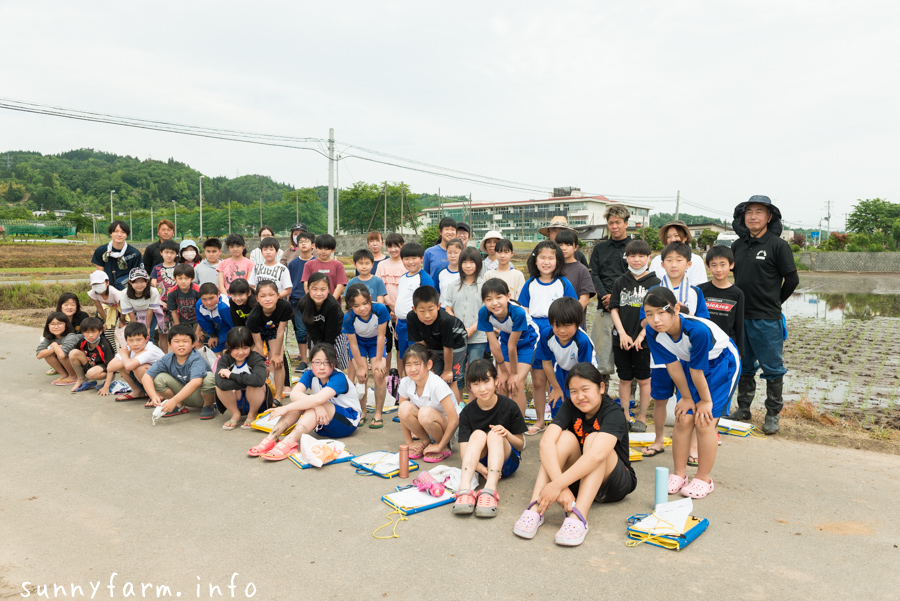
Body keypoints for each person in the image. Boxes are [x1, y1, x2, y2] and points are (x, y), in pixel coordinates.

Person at [513, 363, 635, 546]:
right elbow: (545, 443)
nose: (580, 397)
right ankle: (535, 508)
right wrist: (560, 487)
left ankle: (578, 517)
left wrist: (557, 485)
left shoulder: (613, 412)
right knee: (563, 438)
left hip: (613, 483)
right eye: (574, 391)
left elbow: (597, 456)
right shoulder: (569, 406)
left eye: (586, 389)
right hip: (578, 480)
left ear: (601, 387)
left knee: (595, 440)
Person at [643, 287, 741, 499]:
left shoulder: (697, 330)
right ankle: (679, 474)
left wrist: (705, 401)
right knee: (683, 419)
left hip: (721, 364)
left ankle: (703, 478)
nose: (655, 319)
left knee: (704, 421)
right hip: (690, 365)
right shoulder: (652, 332)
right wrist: (686, 398)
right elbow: (672, 365)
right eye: (649, 314)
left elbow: (699, 370)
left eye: (661, 312)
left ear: (676, 308)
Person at [730, 195, 798, 434]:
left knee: (772, 368)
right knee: (744, 366)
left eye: (759, 212)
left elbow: (792, 279)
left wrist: (776, 301)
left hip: (767, 318)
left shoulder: (778, 245)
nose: (753, 216)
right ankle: (743, 409)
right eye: (749, 212)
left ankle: (772, 415)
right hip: (741, 317)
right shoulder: (738, 245)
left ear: (769, 217)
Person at [641, 242, 710, 457]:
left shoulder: (696, 292)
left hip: (688, 357)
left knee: (691, 398)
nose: (674, 265)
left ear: (689, 264)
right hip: (662, 355)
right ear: (661, 264)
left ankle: (693, 446)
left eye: (679, 260)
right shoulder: (654, 291)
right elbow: (644, 321)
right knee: (659, 398)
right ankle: (659, 439)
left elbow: (704, 324)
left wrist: (683, 316)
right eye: (669, 260)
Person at [248, 344, 361, 460]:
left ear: (334, 363)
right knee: (306, 401)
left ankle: (288, 442)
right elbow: (294, 394)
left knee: (312, 402)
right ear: (311, 363)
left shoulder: (338, 377)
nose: (322, 367)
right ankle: (271, 438)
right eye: (317, 362)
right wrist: (317, 406)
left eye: (327, 362)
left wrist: (286, 408)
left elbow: (318, 400)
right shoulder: (309, 374)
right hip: (323, 423)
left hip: (347, 422)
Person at [453, 359, 527, 518]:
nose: (482, 389)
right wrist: (483, 470)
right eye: (475, 384)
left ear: (496, 380)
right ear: (469, 387)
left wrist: (507, 434)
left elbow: (520, 445)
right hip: (479, 466)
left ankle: (490, 489)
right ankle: (464, 488)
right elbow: (464, 453)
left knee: (494, 434)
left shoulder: (510, 406)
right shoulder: (466, 412)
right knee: (478, 434)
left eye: (486, 381)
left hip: (507, 463)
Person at [518, 240, 578, 435]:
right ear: (535, 261)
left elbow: (573, 309)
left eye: (551, 258)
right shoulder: (530, 284)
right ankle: (541, 420)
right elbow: (523, 312)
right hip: (536, 331)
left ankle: (562, 418)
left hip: (557, 330)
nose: (546, 262)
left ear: (558, 260)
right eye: (542, 257)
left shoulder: (563, 283)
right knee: (537, 380)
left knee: (560, 376)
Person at [609, 239, 660, 432]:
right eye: (632, 256)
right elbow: (614, 308)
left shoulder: (655, 283)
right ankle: (624, 415)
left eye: (641, 256)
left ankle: (642, 416)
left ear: (649, 258)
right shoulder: (620, 282)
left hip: (645, 341)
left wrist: (641, 335)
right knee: (624, 378)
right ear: (626, 258)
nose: (636, 260)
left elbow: (655, 313)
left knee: (644, 379)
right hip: (621, 338)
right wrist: (622, 333)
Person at [477, 278, 540, 416]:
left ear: (508, 296)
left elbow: (513, 346)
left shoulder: (517, 312)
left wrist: (514, 373)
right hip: (506, 338)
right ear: (483, 301)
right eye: (489, 299)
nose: (494, 303)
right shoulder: (484, 313)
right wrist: (504, 372)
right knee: (501, 383)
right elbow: (494, 345)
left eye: (499, 297)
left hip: (527, 339)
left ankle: (519, 427)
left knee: (516, 383)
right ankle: (505, 421)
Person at [535, 297, 598, 432]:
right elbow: (546, 363)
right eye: (557, 325)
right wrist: (556, 387)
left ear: (578, 323)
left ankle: (582, 432)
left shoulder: (582, 341)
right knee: (556, 403)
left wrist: (574, 390)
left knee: (579, 403)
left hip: (585, 375)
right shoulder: (547, 334)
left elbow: (584, 371)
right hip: (562, 370)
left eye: (567, 325)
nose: (561, 331)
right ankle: (560, 432)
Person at [396, 344, 459, 463]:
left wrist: (440, 446)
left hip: (449, 429)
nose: (412, 369)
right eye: (408, 365)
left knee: (424, 413)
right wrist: (409, 443)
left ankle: (444, 446)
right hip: (428, 426)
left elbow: (454, 420)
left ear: (428, 365)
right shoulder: (405, 382)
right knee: (403, 408)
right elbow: (403, 416)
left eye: (417, 364)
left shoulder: (437, 384)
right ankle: (426, 442)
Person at [406, 285, 468, 403]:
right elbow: (421, 345)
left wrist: (447, 370)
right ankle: (437, 408)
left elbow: (448, 348)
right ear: (414, 309)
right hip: (433, 344)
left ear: (439, 306)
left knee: (451, 379)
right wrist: (430, 368)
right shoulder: (411, 317)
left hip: (455, 344)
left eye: (431, 309)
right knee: (431, 376)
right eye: (422, 311)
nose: (427, 315)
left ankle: (456, 412)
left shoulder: (445, 320)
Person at [589, 205, 631, 375]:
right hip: (603, 308)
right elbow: (594, 275)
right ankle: (601, 394)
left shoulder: (634, 247)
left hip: (628, 309)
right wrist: (606, 296)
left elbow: (636, 275)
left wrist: (616, 297)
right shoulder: (600, 248)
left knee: (629, 356)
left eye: (618, 222)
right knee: (601, 357)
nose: (614, 226)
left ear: (626, 224)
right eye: (611, 223)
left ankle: (629, 399)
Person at [141, 324, 217, 419]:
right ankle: (179, 406)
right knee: (159, 378)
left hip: (201, 396)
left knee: (209, 377)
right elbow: (146, 376)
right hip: (183, 396)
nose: (181, 344)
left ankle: (208, 406)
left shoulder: (196, 359)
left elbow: (196, 382)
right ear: (169, 344)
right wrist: (153, 396)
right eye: (176, 341)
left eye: (185, 341)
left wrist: (173, 400)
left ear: (193, 344)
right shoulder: (167, 359)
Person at [342, 284, 390, 428]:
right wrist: (361, 367)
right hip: (359, 344)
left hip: (376, 342)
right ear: (350, 305)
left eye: (365, 303)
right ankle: (362, 411)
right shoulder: (348, 318)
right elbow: (353, 344)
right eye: (356, 306)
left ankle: (378, 413)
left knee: (379, 374)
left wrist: (380, 360)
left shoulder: (380, 309)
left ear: (370, 299)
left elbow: (381, 336)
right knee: (361, 377)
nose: (362, 308)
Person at [698, 246, 745, 387]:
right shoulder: (700, 290)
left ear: (731, 265)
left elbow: (739, 324)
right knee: (700, 383)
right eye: (714, 265)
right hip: (704, 346)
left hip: (726, 347)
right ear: (708, 267)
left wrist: (739, 350)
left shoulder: (737, 293)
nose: (718, 269)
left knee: (721, 384)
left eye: (723, 264)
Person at [443, 247, 487, 394]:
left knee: (474, 372)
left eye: (472, 262)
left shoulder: (484, 286)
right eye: (465, 262)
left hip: (478, 336)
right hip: (457, 337)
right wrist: (460, 328)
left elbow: (485, 311)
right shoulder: (452, 285)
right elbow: (448, 309)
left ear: (478, 264)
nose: (468, 266)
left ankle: (474, 404)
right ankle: (459, 403)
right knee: (458, 373)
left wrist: (472, 329)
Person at [246, 280, 293, 402]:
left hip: (274, 331)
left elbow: (281, 331)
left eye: (271, 295)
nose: (268, 299)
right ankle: (259, 393)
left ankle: (278, 395)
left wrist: (277, 355)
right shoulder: (253, 317)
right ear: (257, 298)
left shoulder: (285, 307)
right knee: (257, 362)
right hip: (259, 334)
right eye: (263, 296)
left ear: (278, 295)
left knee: (278, 362)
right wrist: (263, 364)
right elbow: (257, 343)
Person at [215, 326, 269, 430]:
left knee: (255, 384)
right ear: (229, 346)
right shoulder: (224, 360)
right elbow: (220, 383)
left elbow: (259, 380)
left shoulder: (256, 358)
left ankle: (252, 415)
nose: (241, 352)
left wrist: (231, 375)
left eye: (245, 348)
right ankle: (235, 414)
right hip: (235, 399)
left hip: (257, 400)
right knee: (219, 387)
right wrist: (248, 380)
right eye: (236, 348)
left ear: (251, 346)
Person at [394, 242, 435, 373]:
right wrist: (396, 323)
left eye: (414, 258)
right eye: (406, 259)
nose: (410, 262)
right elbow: (400, 301)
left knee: (417, 357)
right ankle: (405, 384)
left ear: (421, 258)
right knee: (404, 356)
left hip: (416, 325)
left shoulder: (424, 278)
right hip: (401, 324)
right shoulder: (402, 278)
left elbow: (430, 305)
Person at [100, 321, 164, 402]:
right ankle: (137, 391)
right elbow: (110, 367)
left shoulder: (150, 349)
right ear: (126, 340)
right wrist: (126, 357)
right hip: (150, 380)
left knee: (138, 368)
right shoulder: (128, 349)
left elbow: (129, 366)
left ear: (147, 339)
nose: (135, 344)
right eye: (131, 340)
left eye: (139, 340)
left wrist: (125, 356)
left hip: (163, 384)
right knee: (122, 366)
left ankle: (157, 395)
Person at [298, 273, 349, 372]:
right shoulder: (303, 303)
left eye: (323, 289)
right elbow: (311, 329)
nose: (318, 293)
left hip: (336, 335)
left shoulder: (332, 305)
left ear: (329, 290)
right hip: (316, 335)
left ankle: (338, 381)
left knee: (335, 363)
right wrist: (319, 348)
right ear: (308, 289)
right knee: (318, 362)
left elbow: (331, 333)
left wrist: (327, 352)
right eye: (314, 289)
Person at [375, 233, 405, 374]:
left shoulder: (406, 264)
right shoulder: (382, 265)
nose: (393, 249)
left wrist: (398, 309)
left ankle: (400, 376)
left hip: (403, 310)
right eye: (390, 246)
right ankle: (386, 376)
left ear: (402, 246)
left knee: (400, 346)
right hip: (385, 309)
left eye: (396, 246)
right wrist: (391, 306)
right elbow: (380, 289)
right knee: (386, 345)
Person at [287, 231, 315, 370]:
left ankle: (314, 359)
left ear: (313, 245)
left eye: (306, 241)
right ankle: (304, 360)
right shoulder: (293, 264)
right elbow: (289, 283)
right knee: (301, 331)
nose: (303, 243)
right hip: (296, 300)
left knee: (314, 331)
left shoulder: (316, 262)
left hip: (314, 301)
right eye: (301, 241)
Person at [555, 229, 596, 324]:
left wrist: (566, 317)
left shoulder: (582, 270)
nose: (563, 248)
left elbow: (584, 300)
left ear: (576, 247)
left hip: (573, 322)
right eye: (560, 245)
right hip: (552, 321)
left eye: (568, 245)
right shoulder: (551, 268)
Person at [649, 221, 709, 285]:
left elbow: (699, 286)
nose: (672, 239)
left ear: (685, 237)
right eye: (668, 236)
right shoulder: (656, 260)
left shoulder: (696, 260)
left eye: (676, 235)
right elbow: (651, 284)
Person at [91, 220, 144, 291]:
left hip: (128, 291)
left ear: (126, 235)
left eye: (123, 232)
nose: (119, 235)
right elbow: (100, 275)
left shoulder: (134, 253)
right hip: (108, 290)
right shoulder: (101, 251)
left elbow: (138, 276)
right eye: (116, 231)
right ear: (111, 233)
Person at [67, 317, 115, 393]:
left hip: (105, 367)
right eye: (87, 332)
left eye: (93, 332)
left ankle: (109, 381)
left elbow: (111, 366)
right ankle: (81, 379)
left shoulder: (104, 345)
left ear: (100, 331)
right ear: (82, 332)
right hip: (91, 364)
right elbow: (74, 355)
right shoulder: (83, 341)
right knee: (73, 353)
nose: (90, 335)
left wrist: (106, 386)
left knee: (91, 374)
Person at [150, 239, 180, 351]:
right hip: (162, 306)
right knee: (163, 333)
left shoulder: (180, 267)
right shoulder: (156, 269)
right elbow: (153, 287)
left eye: (172, 253)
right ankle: (164, 357)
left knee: (178, 332)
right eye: (166, 252)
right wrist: (160, 302)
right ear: (161, 252)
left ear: (176, 254)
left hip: (178, 306)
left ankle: (178, 355)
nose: (169, 255)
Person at [36, 312, 80, 386]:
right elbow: (39, 355)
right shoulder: (49, 338)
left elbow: (62, 355)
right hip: (65, 364)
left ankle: (73, 376)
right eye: (52, 324)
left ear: (66, 325)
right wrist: (55, 348)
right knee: (47, 354)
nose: (56, 327)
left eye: (59, 324)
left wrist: (54, 345)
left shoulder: (71, 336)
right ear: (48, 326)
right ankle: (64, 375)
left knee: (60, 352)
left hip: (79, 366)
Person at [301, 234, 347, 299]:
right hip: (314, 303)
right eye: (320, 248)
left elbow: (340, 285)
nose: (323, 252)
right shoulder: (309, 265)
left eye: (326, 249)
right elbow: (306, 284)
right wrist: (312, 299)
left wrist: (331, 301)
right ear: (316, 248)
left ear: (333, 250)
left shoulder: (338, 265)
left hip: (333, 304)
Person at [87, 270, 123, 352]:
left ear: (107, 283)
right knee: (108, 332)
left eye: (99, 284)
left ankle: (123, 351)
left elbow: (123, 308)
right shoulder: (93, 293)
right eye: (94, 284)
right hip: (110, 309)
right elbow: (99, 308)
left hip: (123, 309)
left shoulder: (114, 293)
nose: (97, 286)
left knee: (123, 331)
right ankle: (114, 352)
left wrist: (122, 320)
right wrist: (106, 321)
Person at [120, 267, 165, 333]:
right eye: (135, 282)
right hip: (134, 312)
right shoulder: (124, 293)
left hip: (151, 311)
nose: (139, 285)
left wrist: (148, 328)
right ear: (130, 282)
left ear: (147, 281)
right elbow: (130, 312)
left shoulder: (153, 291)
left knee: (149, 334)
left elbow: (150, 310)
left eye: (142, 281)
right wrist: (137, 328)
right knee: (137, 333)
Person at [195, 282, 234, 353]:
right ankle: (217, 363)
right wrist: (213, 335)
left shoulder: (225, 307)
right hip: (221, 325)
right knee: (215, 345)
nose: (208, 302)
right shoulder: (199, 305)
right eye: (204, 299)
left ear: (218, 294)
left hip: (234, 325)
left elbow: (235, 324)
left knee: (234, 346)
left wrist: (232, 339)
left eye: (211, 298)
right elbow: (203, 321)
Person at [166, 264, 201, 340]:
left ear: (192, 279)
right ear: (175, 278)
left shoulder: (198, 290)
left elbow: (202, 310)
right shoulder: (172, 292)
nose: (183, 281)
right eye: (180, 278)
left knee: (198, 340)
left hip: (198, 320)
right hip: (182, 320)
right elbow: (173, 311)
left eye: (186, 278)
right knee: (184, 339)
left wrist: (199, 329)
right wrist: (178, 326)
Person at [423, 216, 457, 282]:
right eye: (447, 229)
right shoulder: (429, 252)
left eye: (452, 229)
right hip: (434, 291)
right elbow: (426, 275)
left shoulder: (460, 252)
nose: (450, 232)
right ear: (440, 232)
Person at [435, 238, 464, 303]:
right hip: (443, 309)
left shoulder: (465, 273)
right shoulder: (440, 273)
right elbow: (437, 293)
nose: (452, 256)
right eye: (449, 253)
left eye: (456, 252)